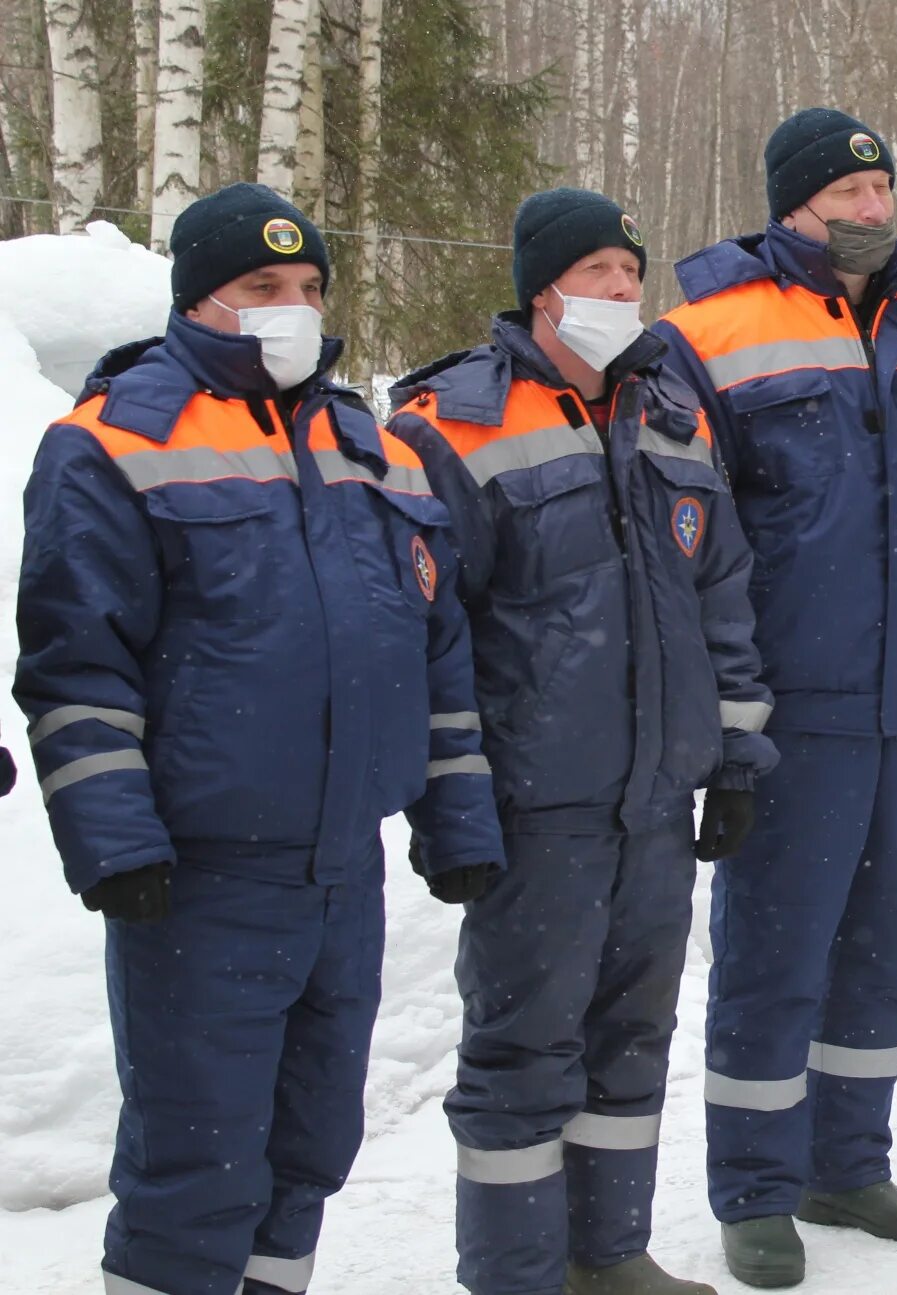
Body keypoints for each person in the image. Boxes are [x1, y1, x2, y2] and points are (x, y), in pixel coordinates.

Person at [14, 182, 503, 1295]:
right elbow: (75, 663)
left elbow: (434, 652)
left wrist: (455, 813)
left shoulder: (367, 445)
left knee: (307, 1148)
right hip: (202, 875)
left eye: (308, 288)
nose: (292, 307)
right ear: (198, 299)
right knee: (197, 1159)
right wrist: (114, 839)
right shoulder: (114, 442)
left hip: (345, 872)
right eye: (261, 287)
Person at [653, 109, 897, 1288]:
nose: (872, 214)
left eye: (882, 193)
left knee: (882, 943)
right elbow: (690, 542)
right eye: (846, 198)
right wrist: (723, 706)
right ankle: (754, 1187)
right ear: (792, 205)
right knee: (775, 949)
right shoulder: (702, 333)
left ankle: (846, 1160)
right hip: (788, 704)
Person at [388, 188, 776, 1295]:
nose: (617, 291)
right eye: (595, 271)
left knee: (629, 1037)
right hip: (536, 803)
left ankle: (607, 1256)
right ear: (540, 288)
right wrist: (453, 798)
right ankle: (515, 1272)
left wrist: (735, 752)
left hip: (654, 797)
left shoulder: (671, 414)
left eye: (627, 271)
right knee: (522, 1051)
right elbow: (430, 631)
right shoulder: (448, 421)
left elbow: (725, 599)